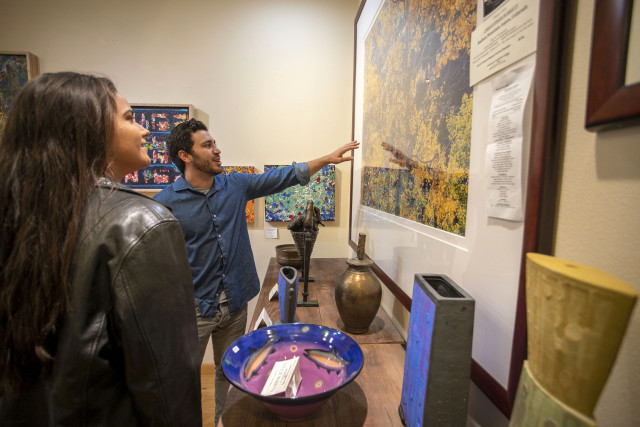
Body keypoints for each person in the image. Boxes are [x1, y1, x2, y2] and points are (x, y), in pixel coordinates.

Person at [0, 72, 202, 426]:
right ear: (87, 130)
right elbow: (166, 387)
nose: (144, 130)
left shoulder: (19, 216)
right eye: (128, 118)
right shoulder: (143, 222)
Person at [153, 118, 358, 423]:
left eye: (215, 143)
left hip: (235, 304)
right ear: (185, 155)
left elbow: (283, 177)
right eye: (207, 145)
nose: (217, 149)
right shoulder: (165, 204)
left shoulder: (234, 185)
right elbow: (160, 263)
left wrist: (326, 159)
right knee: (181, 382)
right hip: (194, 312)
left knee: (228, 374)